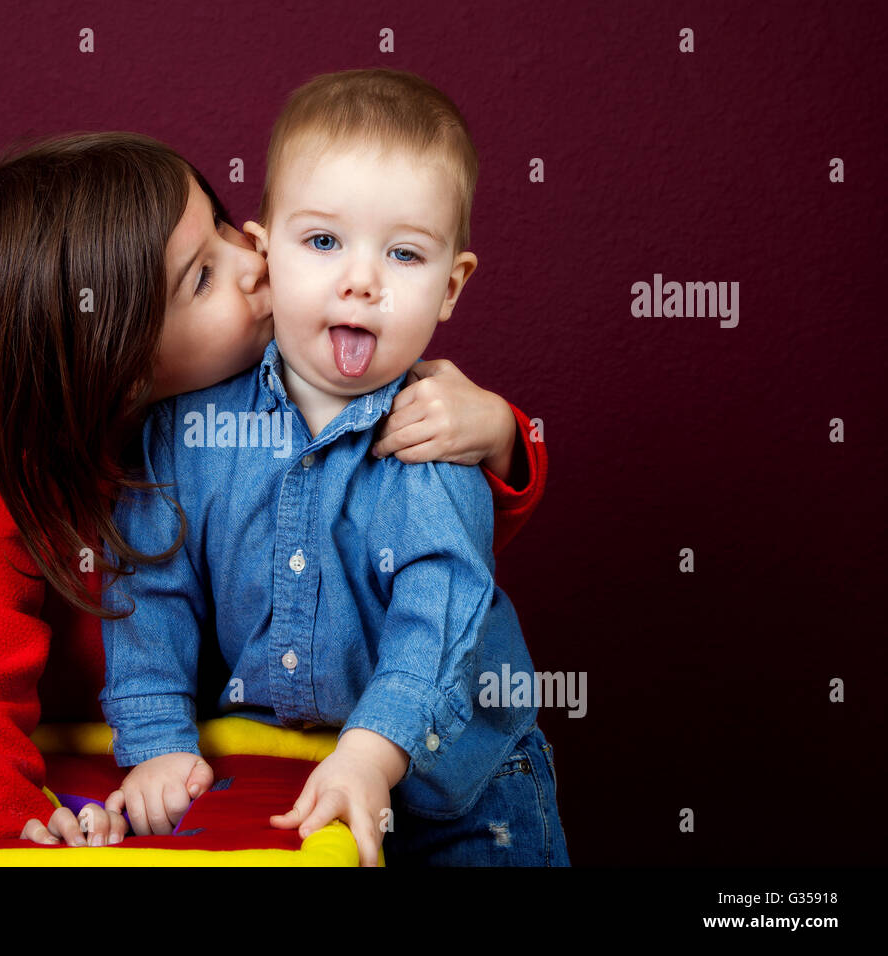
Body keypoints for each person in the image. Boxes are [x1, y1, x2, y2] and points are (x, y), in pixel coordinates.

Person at [0, 128, 550, 848]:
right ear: (120, 364)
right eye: (202, 276)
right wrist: (7, 823)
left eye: (223, 225)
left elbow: (408, 556)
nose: (253, 260)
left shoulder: (262, 398)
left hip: (173, 776)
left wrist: (499, 435)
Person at [100, 70, 567, 866]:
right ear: (264, 251)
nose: (361, 279)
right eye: (322, 242)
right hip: (280, 778)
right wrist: (154, 743)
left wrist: (371, 750)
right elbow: (150, 586)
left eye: (405, 253)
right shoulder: (191, 427)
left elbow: (440, 610)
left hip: (462, 790)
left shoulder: (431, 429)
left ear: (451, 286)